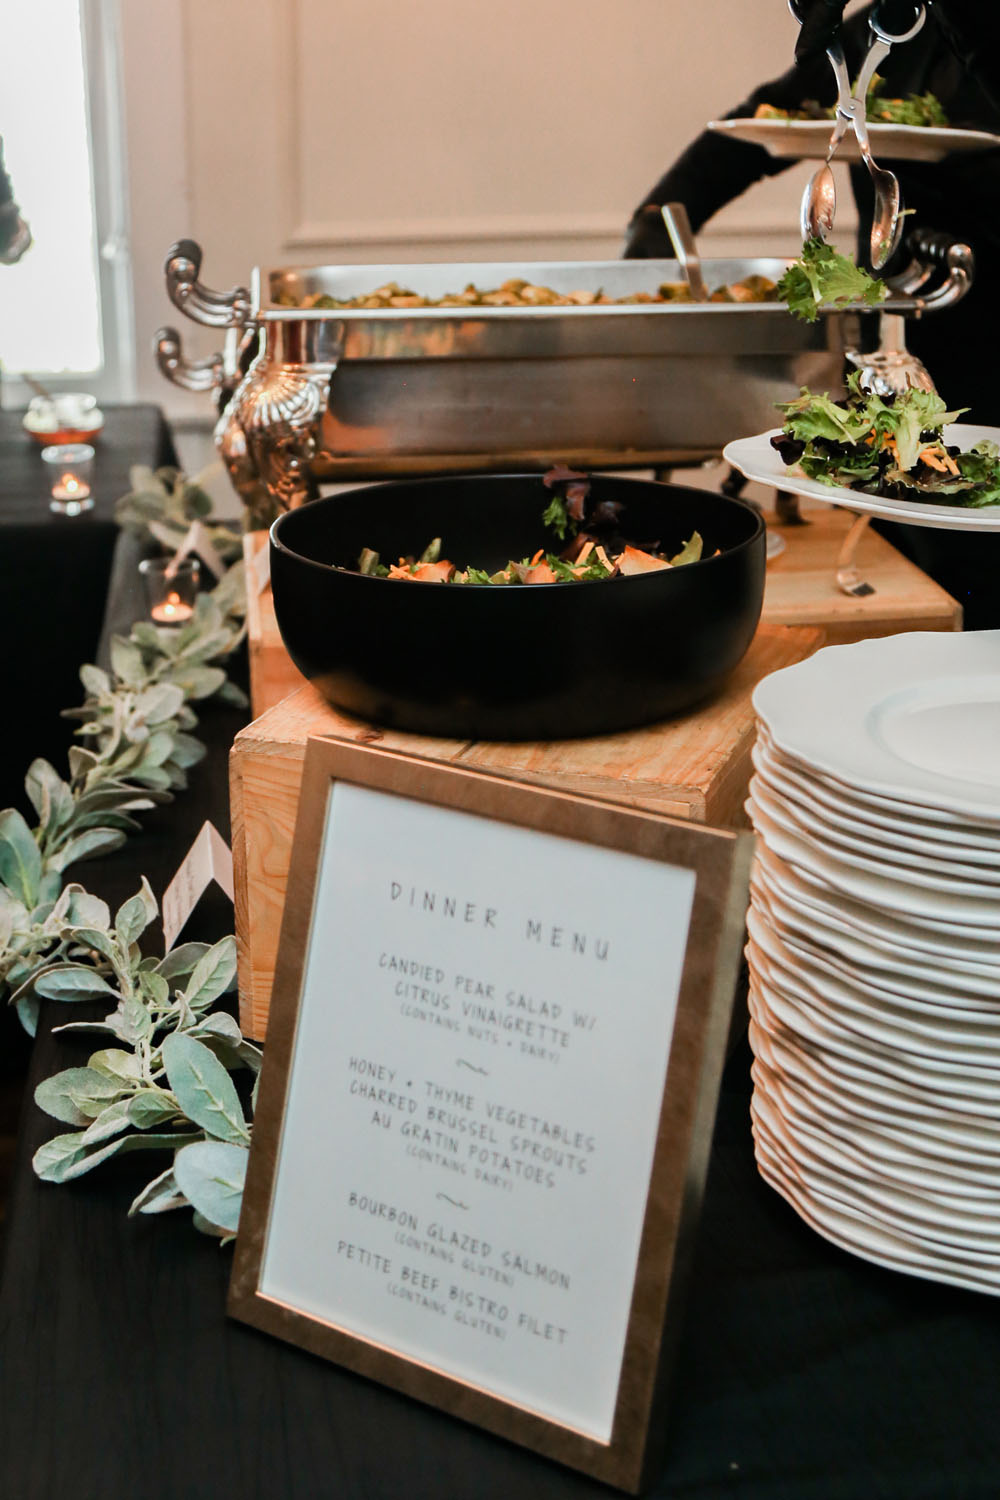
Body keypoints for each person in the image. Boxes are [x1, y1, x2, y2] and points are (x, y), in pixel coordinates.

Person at [623, 0, 1000, 625]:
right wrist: (663, 210)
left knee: (980, 546)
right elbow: (771, 117)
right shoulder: (878, 30)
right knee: (901, 527)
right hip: (895, 328)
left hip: (992, 327)